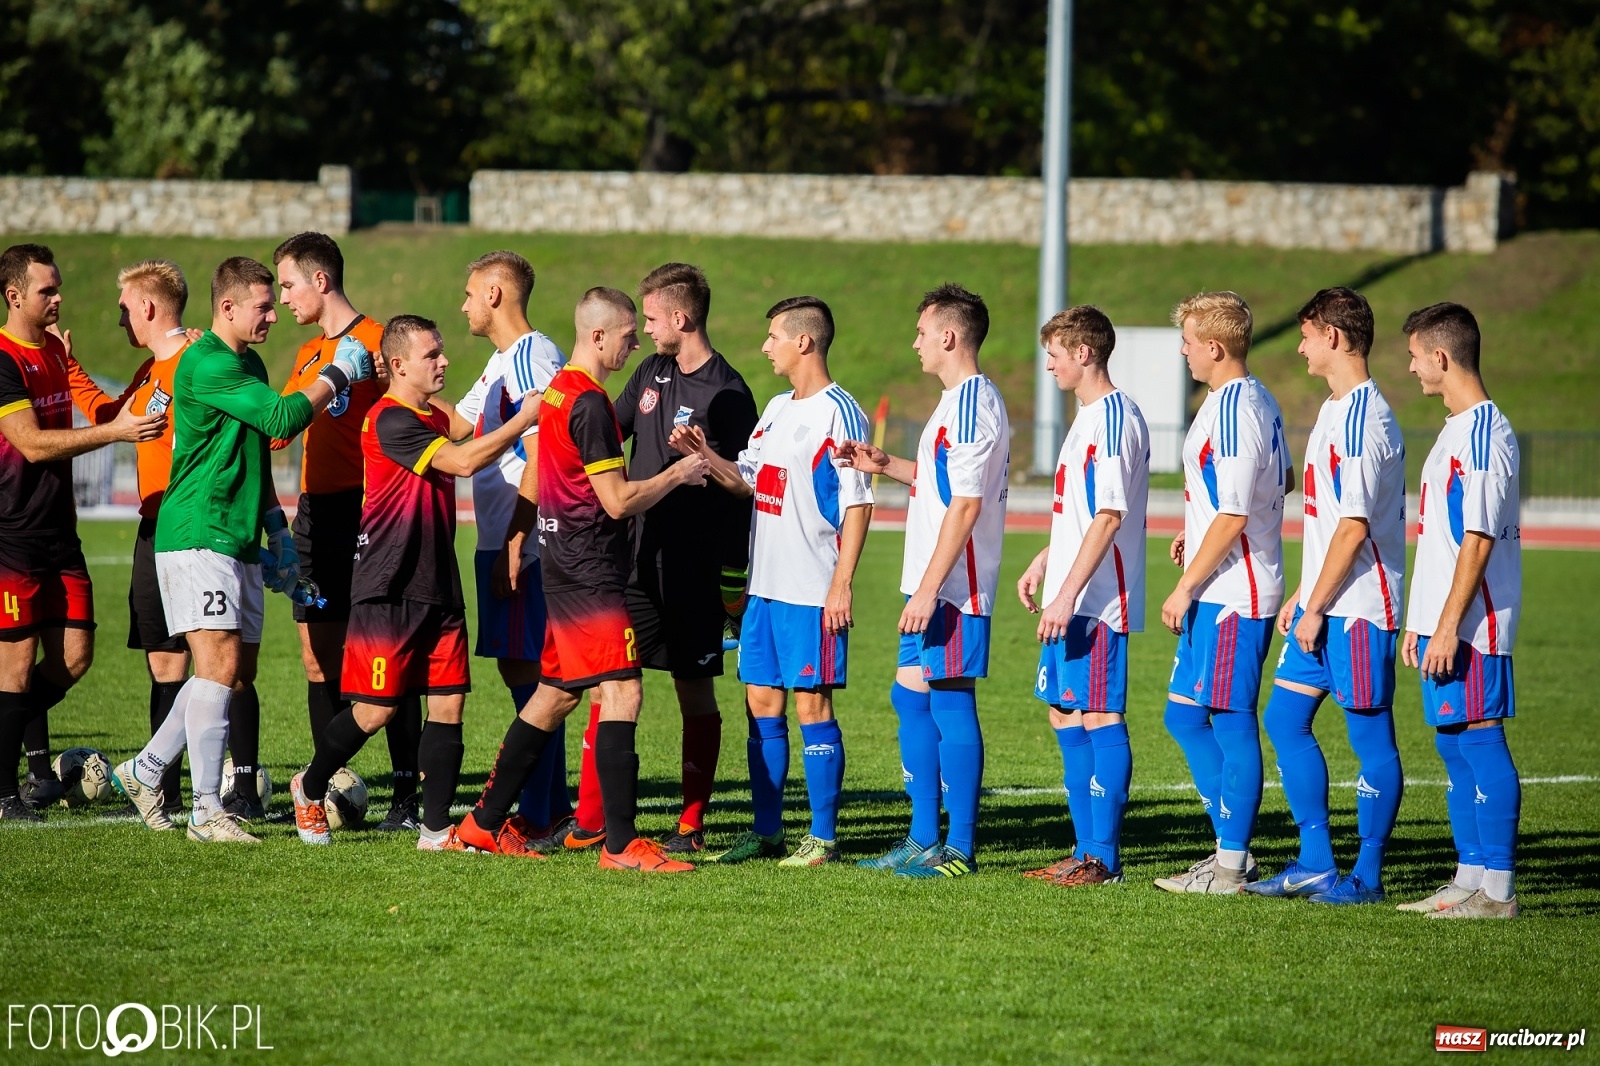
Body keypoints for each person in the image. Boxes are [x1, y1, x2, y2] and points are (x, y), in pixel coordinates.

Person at [111, 255, 372, 843]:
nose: (274, 314)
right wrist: (337, 373)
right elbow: (282, 415)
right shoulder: (205, 364)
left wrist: (276, 532)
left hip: (239, 534)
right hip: (199, 531)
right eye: (262, 305)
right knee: (219, 667)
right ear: (226, 308)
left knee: (234, 672)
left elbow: (255, 450)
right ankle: (207, 809)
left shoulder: (245, 360)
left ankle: (147, 766)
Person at [455, 287, 708, 870]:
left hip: (561, 568)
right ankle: (620, 846)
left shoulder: (556, 394)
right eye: (627, 333)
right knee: (623, 690)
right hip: (591, 574)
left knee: (555, 695)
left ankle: (480, 824)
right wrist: (680, 472)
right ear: (599, 336)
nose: (636, 341)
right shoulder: (589, 403)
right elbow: (617, 502)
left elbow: (548, 477)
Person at [290, 315, 537, 849]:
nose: (444, 361)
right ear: (399, 365)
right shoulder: (389, 420)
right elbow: (464, 461)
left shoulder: (430, 415)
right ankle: (308, 788)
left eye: (443, 350)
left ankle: (434, 830)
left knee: (449, 704)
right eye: (432, 355)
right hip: (389, 586)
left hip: (438, 584)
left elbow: (466, 428)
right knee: (377, 710)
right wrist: (524, 419)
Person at [669, 296, 873, 867]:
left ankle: (824, 838)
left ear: (803, 342)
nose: (766, 347)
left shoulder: (841, 413)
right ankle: (767, 832)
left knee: (812, 707)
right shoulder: (778, 408)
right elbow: (749, 482)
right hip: (765, 588)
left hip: (812, 591)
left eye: (774, 337)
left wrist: (842, 583)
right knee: (760, 701)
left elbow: (858, 504)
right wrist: (705, 455)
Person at [839, 283, 1010, 879]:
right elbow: (942, 482)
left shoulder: (970, 404)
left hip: (955, 587)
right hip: (934, 582)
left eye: (921, 333)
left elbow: (965, 506)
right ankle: (921, 839)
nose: (914, 344)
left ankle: (957, 849)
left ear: (948, 336)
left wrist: (931, 588)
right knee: (909, 696)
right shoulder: (953, 402)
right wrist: (885, 465)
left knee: (950, 699)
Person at [1246, 288, 1407, 905]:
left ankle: (1366, 875)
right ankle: (1315, 860)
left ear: (1335, 338)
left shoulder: (1367, 418)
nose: (1301, 346)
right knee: (1284, 719)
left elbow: (1354, 526)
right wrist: (1306, 599)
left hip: (1360, 607)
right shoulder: (1335, 411)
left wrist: (1316, 604)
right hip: (1323, 604)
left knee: (1370, 739)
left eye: (1309, 335)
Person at [0, 243, 165, 821]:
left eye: (59, 286)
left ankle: (9, 738)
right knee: (16, 666)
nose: (59, 297)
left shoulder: (51, 351)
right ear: (14, 296)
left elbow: (85, 405)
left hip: (59, 533)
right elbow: (31, 442)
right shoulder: (3, 358)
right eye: (48, 290)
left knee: (74, 657)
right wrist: (116, 434)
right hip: (12, 535)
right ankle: (5, 793)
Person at [271, 232, 419, 829]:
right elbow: (279, 430)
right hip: (314, 520)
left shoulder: (383, 342)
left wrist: (386, 379)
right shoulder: (309, 353)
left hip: (370, 512)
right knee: (316, 655)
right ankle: (329, 788)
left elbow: (416, 413)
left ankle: (407, 799)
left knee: (388, 653)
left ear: (320, 280)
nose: (283, 298)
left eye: (287, 284)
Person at [609, 262, 758, 852]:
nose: (644, 330)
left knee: (693, 691)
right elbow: (609, 429)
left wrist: (702, 464)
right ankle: (598, 817)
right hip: (635, 561)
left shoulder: (729, 393)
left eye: (650, 318)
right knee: (612, 683)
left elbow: (746, 485)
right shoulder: (650, 371)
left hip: (692, 570)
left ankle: (691, 825)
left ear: (681, 317)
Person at [1154, 290, 1290, 894]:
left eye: (1187, 342)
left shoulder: (1238, 407)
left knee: (1232, 722)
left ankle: (1231, 863)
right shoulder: (1240, 400)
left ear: (1213, 347)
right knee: (1183, 716)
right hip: (1219, 581)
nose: (1182, 352)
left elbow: (1236, 512)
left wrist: (1186, 585)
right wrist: (1199, 530)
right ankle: (1228, 845)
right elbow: (1275, 480)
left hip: (1235, 593)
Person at [1397, 303, 1522, 919]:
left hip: (1475, 626)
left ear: (1440, 358)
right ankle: (1468, 876)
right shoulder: (1454, 429)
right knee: (1452, 742)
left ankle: (1498, 890)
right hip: (1445, 624)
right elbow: (1441, 540)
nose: (1412, 366)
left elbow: (1477, 540)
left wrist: (1447, 625)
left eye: (1415, 355)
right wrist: (1421, 621)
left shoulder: (1483, 433)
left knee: (1481, 738)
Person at [1017, 306, 1149, 887]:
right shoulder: (1088, 417)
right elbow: (1079, 514)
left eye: (1055, 352)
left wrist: (1067, 593)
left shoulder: (1114, 419)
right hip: (1072, 590)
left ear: (1085, 353)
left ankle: (1104, 859)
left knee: (1099, 713)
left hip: (1097, 600)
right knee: (1064, 712)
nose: (1048, 364)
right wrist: (1047, 561)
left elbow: (1110, 514)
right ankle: (1083, 850)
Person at [453, 250, 574, 850]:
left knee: (536, 675)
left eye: (471, 293)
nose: (465, 305)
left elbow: (543, 445)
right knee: (518, 671)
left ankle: (543, 814)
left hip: (520, 544)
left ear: (497, 294)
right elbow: (456, 426)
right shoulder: (498, 363)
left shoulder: (535, 356)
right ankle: (550, 808)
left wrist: (518, 538)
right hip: (497, 538)